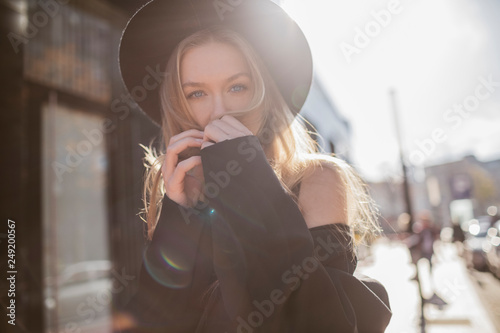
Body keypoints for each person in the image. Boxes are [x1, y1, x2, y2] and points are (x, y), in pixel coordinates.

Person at [115, 0, 392, 332]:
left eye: (236, 87)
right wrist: (180, 215)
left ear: (263, 93)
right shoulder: (178, 191)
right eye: (197, 94)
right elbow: (152, 323)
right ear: (179, 106)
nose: (220, 111)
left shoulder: (316, 180)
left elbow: (322, 323)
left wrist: (252, 185)